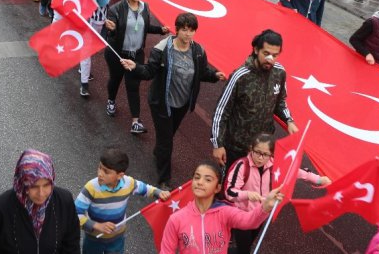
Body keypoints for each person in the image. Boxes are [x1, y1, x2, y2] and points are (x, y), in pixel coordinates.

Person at [121, 13, 226, 187]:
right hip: (162, 103)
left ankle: (159, 152)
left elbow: (202, 73)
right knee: (167, 142)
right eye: (184, 30)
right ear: (177, 30)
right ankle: (164, 179)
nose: (188, 34)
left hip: (183, 104)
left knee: (168, 135)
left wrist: (214, 75)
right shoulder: (162, 49)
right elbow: (149, 72)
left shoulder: (198, 51)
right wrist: (136, 67)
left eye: (192, 30)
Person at [225, 133, 331, 253]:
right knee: (244, 250)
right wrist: (247, 194)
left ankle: (220, 250)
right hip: (242, 214)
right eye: (257, 152)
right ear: (251, 149)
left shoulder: (274, 165)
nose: (260, 158)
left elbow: (296, 172)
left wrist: (318, 179)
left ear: (271, 154)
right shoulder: (242, 166)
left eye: (265, 154)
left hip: (261, 213)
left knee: (246, 246)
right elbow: (229, 192)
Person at [211, 30, 297, 170]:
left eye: (275, 55)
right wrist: (217, 144)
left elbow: (280, 101)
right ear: (256, 50)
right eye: (266, 53)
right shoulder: (240, 76)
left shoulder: (280, 72)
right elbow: (221, 111)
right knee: (229, 187)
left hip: (263, 149)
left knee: (255, 188)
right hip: (236, 148)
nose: (270, 59)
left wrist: (289, 120)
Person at [160, 160, 283, 254]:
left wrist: (265, 207)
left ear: (217, 188)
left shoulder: (225, 212)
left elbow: (249, 221)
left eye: (208, 180)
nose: (200, 182)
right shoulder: (176, 219)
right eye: (196, 177)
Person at [0, 149, 80, 253]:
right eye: (34, 186)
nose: (41, 193)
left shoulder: (64, 202)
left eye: (46, 185)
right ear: (22, 183)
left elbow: (71, 246)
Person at [103, 0, 169, 132]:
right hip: (117, 54)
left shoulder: (145, 7)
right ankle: (111, 101)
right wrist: (111, 28)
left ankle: (135, 122)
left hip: (136, 54)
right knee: (115, 80)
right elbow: (112, 32)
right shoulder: (116, 9)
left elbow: (144, 27)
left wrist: (160, 30)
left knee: (133, 86)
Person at [75, 148, 170, 254]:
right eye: (100, 167)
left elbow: (144, 188)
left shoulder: (128, 183)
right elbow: (75, 214)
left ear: (120, 175)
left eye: (106, 171)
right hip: (94, 239)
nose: (100, 174)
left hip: (117, 238)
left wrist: (158, 192)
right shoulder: (91, 188)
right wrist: (97, 226)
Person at [60, 0, 121, 97]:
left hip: (102, 17)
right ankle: (84, 84)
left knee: (92, 48)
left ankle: (83, 67)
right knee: (86, 50)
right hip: (87, 15)